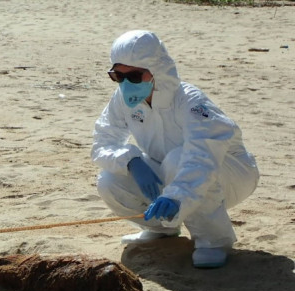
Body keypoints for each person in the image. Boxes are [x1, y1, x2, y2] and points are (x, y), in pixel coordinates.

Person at [92, 30, 259, 268]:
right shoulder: (121, 100)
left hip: (230, 174)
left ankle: (213, 241)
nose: (126, 84)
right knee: (109, 179)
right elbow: (102, 141)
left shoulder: (190, 101)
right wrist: (131, 160)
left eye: (135, 76)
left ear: (156, 70)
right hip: (171, 168)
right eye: (118, 75)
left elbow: (202, 156)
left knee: (177, 159)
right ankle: (162, 228)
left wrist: (176, 195)